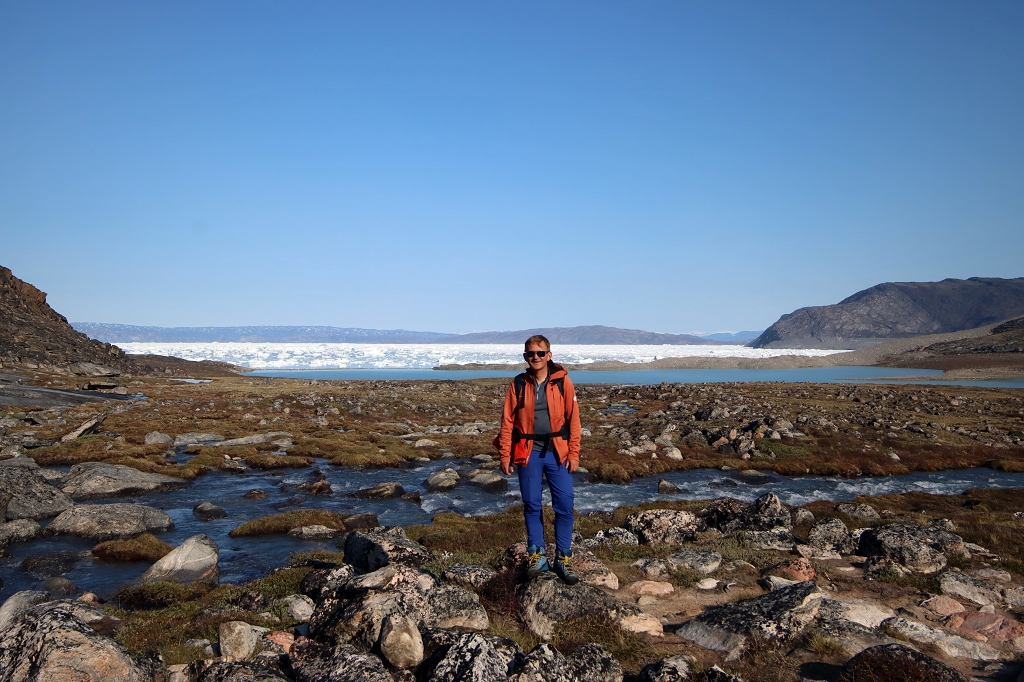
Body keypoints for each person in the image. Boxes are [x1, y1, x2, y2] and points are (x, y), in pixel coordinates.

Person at [494, 335, 582, 584]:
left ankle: (563, 558)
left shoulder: (563, 382)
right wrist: (505, 454)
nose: (535, 357)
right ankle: (538, 555)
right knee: (532, 504)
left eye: (540, 353)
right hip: (528, 452)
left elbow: (574, 420)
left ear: (549, 355)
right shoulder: (518, 384)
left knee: (564, 505)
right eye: (530, 354)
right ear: (525, 357)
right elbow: (507, 422)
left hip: (557, 452)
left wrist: (574, 453)